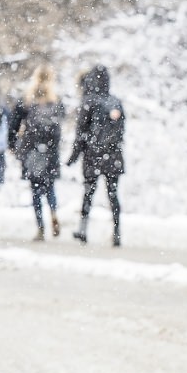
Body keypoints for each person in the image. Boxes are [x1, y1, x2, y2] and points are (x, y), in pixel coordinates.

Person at [65, 65, 126, 246]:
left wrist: (73, 156)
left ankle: (83, 230)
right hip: (113, 156)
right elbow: (122, 130)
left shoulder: (88, 101)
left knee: (88, 192)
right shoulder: (115, 102)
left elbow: (81, 133)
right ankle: (117, 232)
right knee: (113, 194)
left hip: (93, 155)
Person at [9, 64, 65, 241]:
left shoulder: (26, 99)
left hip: (31, 148)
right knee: (49, 187)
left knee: (35, 189)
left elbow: (14, 125)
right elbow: (60, 124)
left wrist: (14, 146)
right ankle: (54, 212)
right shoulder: (56, 100)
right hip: (50, 150)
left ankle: (40, 227)